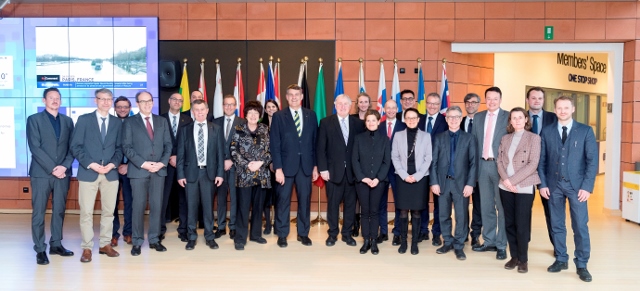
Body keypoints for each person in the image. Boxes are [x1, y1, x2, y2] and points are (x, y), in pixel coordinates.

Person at [538, 96, 597, 283]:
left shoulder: (585, 131)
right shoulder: (546, 131)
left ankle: (582, 264)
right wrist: (543, 184)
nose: (562, 111)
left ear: (573, 109)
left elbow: (591, 161)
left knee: (580, 225)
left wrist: (587, 187)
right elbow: (542, 161)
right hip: (553, 186)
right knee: (556, 225)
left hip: (577, 187)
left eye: (566, 107)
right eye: (559, 108)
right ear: (554, 110)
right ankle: (561, 259)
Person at [71, 88, 123, 263]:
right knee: (86, 212)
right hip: (88, 172)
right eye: (102, 99)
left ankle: (105, 244)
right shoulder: (84, 120)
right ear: (96, 100)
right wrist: (91, 164)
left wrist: (112, 164)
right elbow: (76, 146)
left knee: (109, 212)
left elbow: (120, 148)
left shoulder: (117, 122)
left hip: (110, 173)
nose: (106, 102)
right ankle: (87, 247)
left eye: (109, 99)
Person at [27, 87, 75, 265]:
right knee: (39, 212)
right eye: (51, 98)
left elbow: (73, 147)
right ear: (44, 100)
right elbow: (35, 147)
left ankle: (56, 244)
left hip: (63, 173)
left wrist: (64, 167)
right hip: (41, 173)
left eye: (57, 98)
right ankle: (40, 248)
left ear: (60, 101)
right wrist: (53, 168)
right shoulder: (34, 120)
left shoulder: (68, 121)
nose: (55, 100)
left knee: (59, 210)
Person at [122, 91, 173, 256]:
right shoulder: (130, 122)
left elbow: (168, 145)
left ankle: (154, 239)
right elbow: (127, 147)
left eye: (149, 101)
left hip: (159, 170)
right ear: (137, 103)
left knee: (157, 206)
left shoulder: (161, 121)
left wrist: (161, 163)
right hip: (138, 171)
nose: (147, 104)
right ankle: (136, 241)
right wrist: (144, 164)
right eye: (143, 101)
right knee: (138, 207)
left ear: (153, 102)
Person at [270, 84, 319, 248]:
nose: (294, 97)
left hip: (306, 166)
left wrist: (315, 166)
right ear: (286, 97)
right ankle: (282, 234)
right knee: (283, 201)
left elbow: (315, 142)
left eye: (297, 94)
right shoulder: (278, 116)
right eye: (290, 95)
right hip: (285, 167)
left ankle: (303, 233)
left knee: (304, 200)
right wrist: (278, 168)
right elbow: (274, 144)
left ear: (302, 96)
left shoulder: (311, 115)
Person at [496, 107, 541, 273]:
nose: (517, 121)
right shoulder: (505, 138)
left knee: (521, 225)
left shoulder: (534, 138)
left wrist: (512, 181)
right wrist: (507, 182)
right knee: (509, 223)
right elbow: (499, 161)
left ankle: (523, 260)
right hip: (505, 187)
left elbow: (533, 164)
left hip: (524, 186)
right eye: (513, 118)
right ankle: (514, 256)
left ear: (526, 120)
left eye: (520, 117)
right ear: (510, 121)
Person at [176, 99, 224, 251]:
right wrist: (180, 174)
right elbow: (180, 154)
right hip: (190, 174)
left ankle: (209, 236)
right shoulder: (185, 129)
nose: (200, 112)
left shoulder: (216, 128)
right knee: (191, 207)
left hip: (209, 173)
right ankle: (191, 237)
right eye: (196, 110)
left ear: (207, 110)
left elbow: (220, 155)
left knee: (208, 207)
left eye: (202, 109)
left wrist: (220, 174)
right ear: (192, 111)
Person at [317, 94, 364, 247]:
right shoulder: (325, 123)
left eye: (345, 104)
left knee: (350, 206)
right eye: (340, 104)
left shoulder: (358, 123)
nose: (342, 106)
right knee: (333, 205)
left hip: (352, 173)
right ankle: (332, 234)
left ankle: (347, 234)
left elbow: (361, 150)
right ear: (335, 105)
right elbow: (320, 149)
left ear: (350, 106)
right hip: (332, 172)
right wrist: (323, 169)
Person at [430, 106, 476, 261]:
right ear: (446, 119)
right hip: (443, 183)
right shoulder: (439, 137)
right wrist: (434, 182)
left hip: (462, 184)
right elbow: (434, 162)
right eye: (450, 117)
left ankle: (459, 245)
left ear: (461, 118)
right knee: (443, 214)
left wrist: (470, 184)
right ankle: (447, 242)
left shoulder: (469, 138)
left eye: (457, 117)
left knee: (461, 216)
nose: (453, 120)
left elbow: (473, 163)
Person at [471, 87, 510, 261]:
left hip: (500, 167)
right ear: (484, 100)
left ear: (500, 99)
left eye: (495, 98)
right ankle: (489, 241)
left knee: (502, 208)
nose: (492, 101)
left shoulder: (507, 117)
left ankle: (501, 244)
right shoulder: (478, 117)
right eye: (489, 98)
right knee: (486, 206)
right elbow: (473, 143)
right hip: (482, 166)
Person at [230, 100, 272, 250]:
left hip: (261, 174)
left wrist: (261, 162)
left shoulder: (265, 129)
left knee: (258, 207)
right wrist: (247, 164)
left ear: (260, 115)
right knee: (243, 207)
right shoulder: (238, 128)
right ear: (246, 114)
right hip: (244, 175)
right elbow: (233, 151)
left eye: (256, 113)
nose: (253, 115)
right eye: (250, 112)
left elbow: (270, 150)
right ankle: (240, 238)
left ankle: (255, 234)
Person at [391, 108, 432, 255]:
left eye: (414, 117)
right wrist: (404, 175)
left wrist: (418, 175)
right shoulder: (398, 135)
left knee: (416, 212)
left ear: (418, 119)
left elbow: (428, 158)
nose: (411, 120)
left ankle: (414, 243)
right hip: (402, 177)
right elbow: (394, 157)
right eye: (408, 118)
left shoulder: (426, 136)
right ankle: (403, 242)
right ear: (404, 119)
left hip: (420, 178)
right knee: (402, 211)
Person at [352, 110, 391, 255]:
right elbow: (354, 160)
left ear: (379, 121)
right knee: (364, 211)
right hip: (362, 181)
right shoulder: (358, 138)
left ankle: (374, 240)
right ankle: (366, 240)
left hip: (378, 182)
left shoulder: (384, 139)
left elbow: (386, 162)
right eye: (368, 120)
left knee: (374, 212)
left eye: (373, 120)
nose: (370, 123)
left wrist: (377, 178)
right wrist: (363, 177)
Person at [526, 87, 557, 249]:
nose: (537, 101)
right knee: (524, 210)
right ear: (527, 100)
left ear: (543, 101)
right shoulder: (521, 118)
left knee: (551, 210)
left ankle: (557, 246)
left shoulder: (554, 118)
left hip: (548, 170)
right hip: (525, 172)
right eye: (533, 98)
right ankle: (524, 244)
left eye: (540, 98)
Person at [213, 95, 246, 240]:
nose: (229, 107)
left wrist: (231, 160)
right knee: (220, 198)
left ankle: (233, 226)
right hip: (219, 167)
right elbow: (212, 146)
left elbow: (244, 146)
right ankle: (221, 226)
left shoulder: (243, 123)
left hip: (236, 167)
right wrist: (222, 161)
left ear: (236, 105)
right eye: (226, 104)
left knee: (234, 198)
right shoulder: (215, 122)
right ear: (222, 105)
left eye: (232, 104)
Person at [161, 93, 192, 243]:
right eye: (174, 99)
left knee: (183, 200)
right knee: (162, 199)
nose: (177, 102)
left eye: (180, 100)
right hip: (164, 165)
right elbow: (157, 142)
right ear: (169, 101)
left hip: (182, 166)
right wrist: (168, 157)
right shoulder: (160, 119)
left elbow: (189, 144)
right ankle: (159, 230)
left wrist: (178, 158)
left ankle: (183, 230)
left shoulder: (188, 120)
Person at [419, 92, 448, 246]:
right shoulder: (419, 120)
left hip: (439, 168)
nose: (432, 106)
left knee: (439, 203)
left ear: (439, 106)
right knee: (421, 201)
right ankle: (423, 230)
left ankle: (437, 233)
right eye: (429, 103)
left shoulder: (445, 121)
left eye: (435, 104)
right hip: (420, 168)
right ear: (426, 104)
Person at [377, 99, 406, 245]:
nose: (391, 110)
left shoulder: (404, 126)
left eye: (393, 108)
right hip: (381, 170)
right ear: (384, 109)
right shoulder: (378, 126)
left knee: (399, 202)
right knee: (381, 202)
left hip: (398, 171)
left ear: (397, 109)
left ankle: (397, 232)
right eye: (388, 108)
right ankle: (383, 232)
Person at [349, 92, 372, 236]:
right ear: (357, 104)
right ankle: (355, 224)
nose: (363, 104)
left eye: (366, 102)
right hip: (354, 161)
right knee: (354, 196)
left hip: (370, 164)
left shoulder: (374, 119)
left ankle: (367, 224)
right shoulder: (351, 119)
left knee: (368, 196)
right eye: (360, 102)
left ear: (370, 103)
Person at [112, 96, 134, 246]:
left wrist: (128, 165)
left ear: (130, 108)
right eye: (119, 107)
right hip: (111, 169)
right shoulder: (110, 124)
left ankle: (128, 232)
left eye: (125, 107)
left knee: (130, 202)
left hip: (130, 169)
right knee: (111, 204)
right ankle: (113, 234)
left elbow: (139, 147)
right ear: (115, 108)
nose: (122, 109)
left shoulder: (135, 123)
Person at [461, 93, 482, 247]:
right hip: (461, 170)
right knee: (462, 204)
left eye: (473, 102)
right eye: (467, 102)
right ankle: (463, 233)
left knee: (478, 204)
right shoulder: (458, 121)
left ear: (478, 104)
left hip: (479, 169)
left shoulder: (483, 123)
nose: (470, 105)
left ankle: (475, 234)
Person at [260, 99, 279, 235]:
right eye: (268, 107)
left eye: (273, 106)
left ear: (277, 108)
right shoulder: (261, 125)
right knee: (266, 197)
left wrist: (276, 163)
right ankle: (267, 223)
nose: (271, 109)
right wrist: (268, 162)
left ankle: (278, 224)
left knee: (279, 196)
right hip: (264, 167)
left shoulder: (283, 123)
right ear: (265, 110)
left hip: (279, 166)